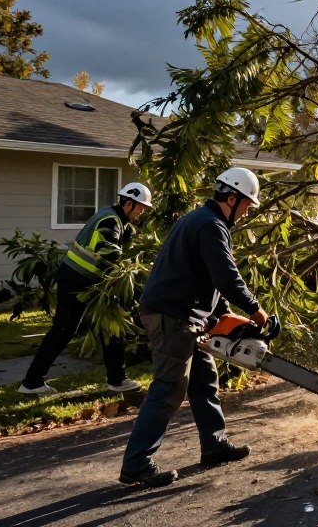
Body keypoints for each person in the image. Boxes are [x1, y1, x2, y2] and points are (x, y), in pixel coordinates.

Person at [118, 167, 269, 488]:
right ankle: (137, 464)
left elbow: (209, 280)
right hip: (173, 316)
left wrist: (224, 319)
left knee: (204, 379)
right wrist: (256, 311)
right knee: (169, 387)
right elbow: (226, 275)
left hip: (186, 315)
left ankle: (214, 444)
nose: (245, 213)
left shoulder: (199, 219)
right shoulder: (211, 225)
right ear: (232, 197)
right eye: (245, 205)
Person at [18, 182, 153, 395]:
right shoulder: (110, 220)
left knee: (110, 326)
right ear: (129, 204)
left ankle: (117, 380)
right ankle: (32, 382)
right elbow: (109, 254)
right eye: (141, 207)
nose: (142, 212)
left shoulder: (117, 220)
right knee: (64, 331)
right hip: (77, 281)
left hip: (85, 282)